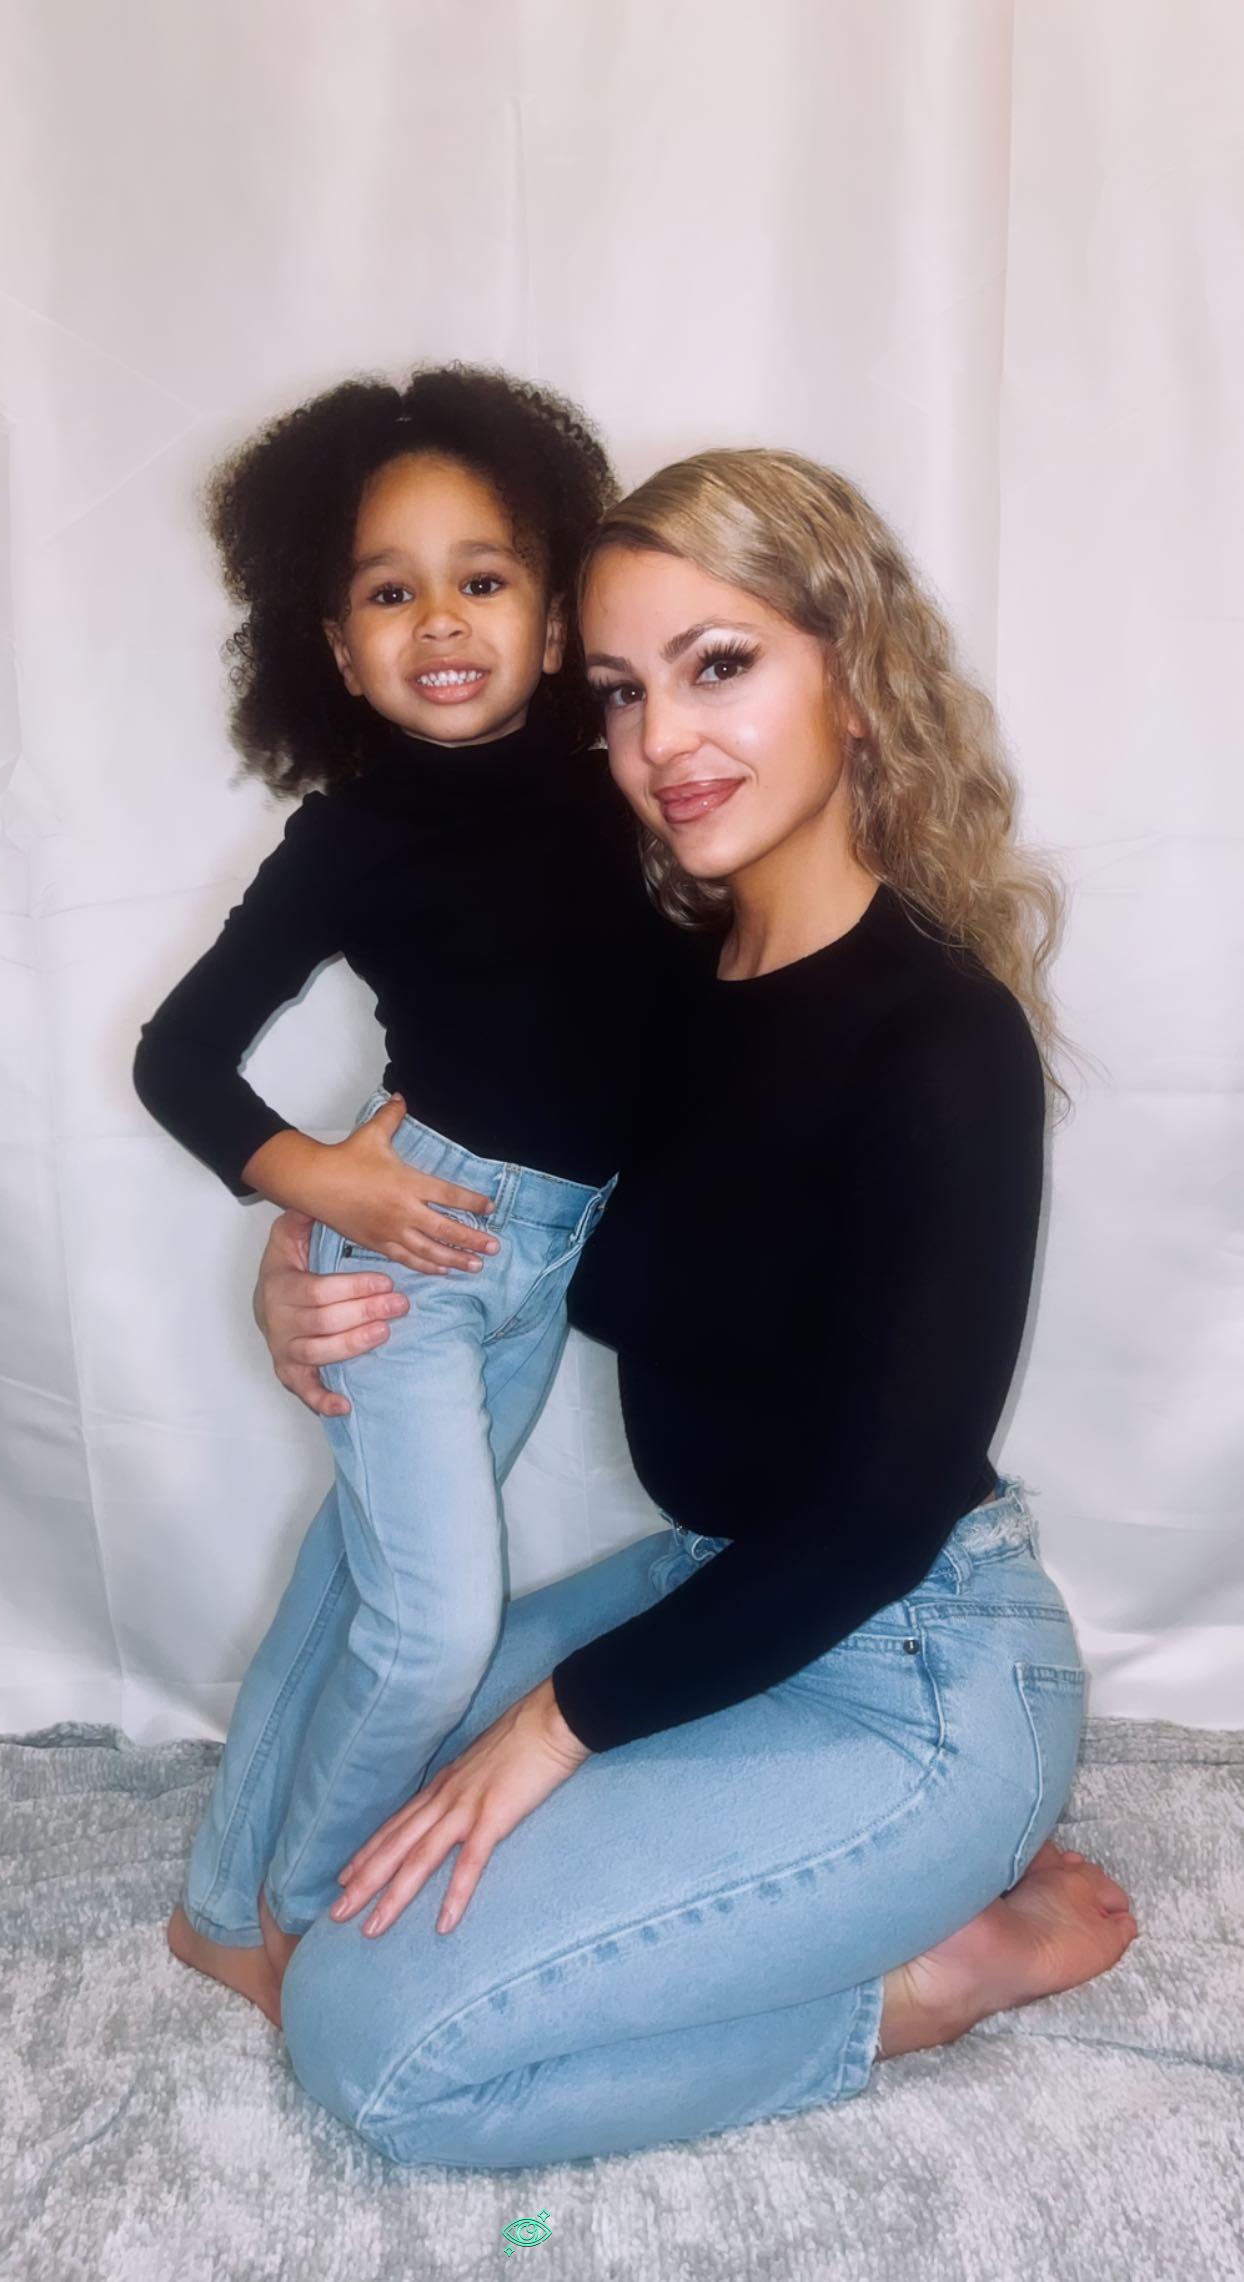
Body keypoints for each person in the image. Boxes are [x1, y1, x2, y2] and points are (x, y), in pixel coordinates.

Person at [241, 447, 1138, 2168]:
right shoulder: (670, 976)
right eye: (619, 690)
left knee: (366, 2043)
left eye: (718, 664)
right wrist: (304, 1265)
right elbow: (462, 1176)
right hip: (713, 1588)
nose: (661, 740)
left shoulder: (939, 1039)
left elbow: (878, 1515)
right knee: (351, 1775)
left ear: (854, 676)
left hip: (913, 1657)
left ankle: (931, 1976)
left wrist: (555, 1726)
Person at [133, 368, 691, 2008]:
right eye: (390, 591)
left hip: (545, 1264)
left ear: (556, 611)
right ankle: (306, 1916)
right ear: (333, 642)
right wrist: (317, 1182)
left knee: (352, 1585)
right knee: (435, 1627)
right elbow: (177, 1055)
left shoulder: (624, 772)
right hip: (409, 1255)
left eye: (483, 577)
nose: (440, 619)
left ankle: (219, 1905)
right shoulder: (351, 836)